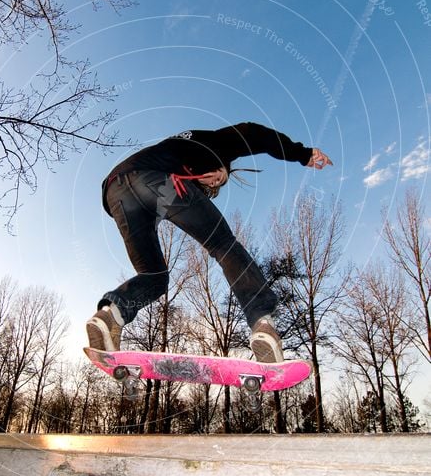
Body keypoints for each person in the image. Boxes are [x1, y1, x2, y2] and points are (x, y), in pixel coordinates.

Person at [86, 121, 332, 362]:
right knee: (223, 244)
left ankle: (111, 315)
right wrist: (303, 154)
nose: (213, 182)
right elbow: (254, 133)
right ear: (223, 167)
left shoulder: (174, 154)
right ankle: (263, 321)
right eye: (218, 180)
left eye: (214, 185)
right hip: (156, 179)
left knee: (154, 276)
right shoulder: (218, 144)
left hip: (115, 191)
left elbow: (154, 196)